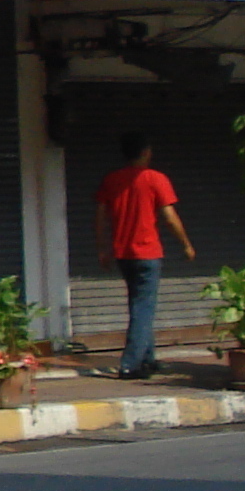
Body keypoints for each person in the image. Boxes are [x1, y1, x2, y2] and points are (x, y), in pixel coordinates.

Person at [96, 133, 194, 379]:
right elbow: (170, 217)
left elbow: (100, 217)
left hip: (123, 253)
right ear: (146, 152)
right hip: (147, 252)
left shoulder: (112, 180)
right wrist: (186, 245)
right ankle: (131, 363)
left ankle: (148, 358)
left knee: (138, 304)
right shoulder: (155, 179)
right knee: (144, 307)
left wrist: (102, 248)